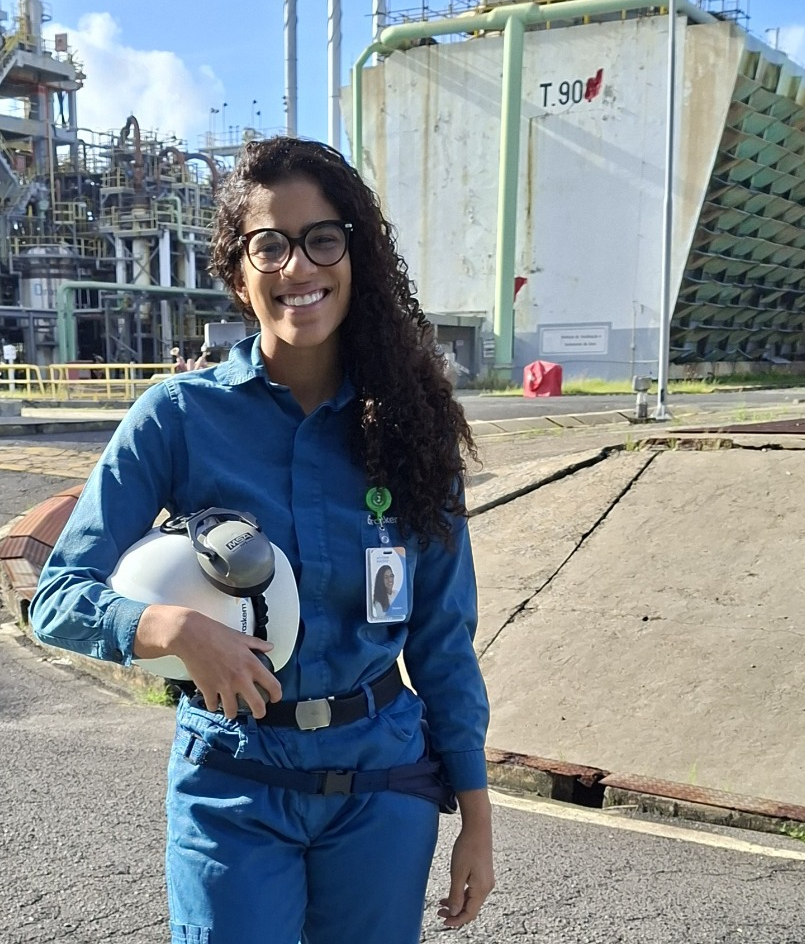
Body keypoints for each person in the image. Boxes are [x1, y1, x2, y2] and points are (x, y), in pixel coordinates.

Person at [30, 136, 492, 943]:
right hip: (233, 783)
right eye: (269, 245)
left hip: (382, 790)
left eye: (322, 239)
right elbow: (59, 597)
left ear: (356, 255)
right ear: (238, 272)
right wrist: (167, 628)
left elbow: (442, 642)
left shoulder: (412, 429)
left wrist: (477, 820)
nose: (297, 267)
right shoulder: (178, 418)